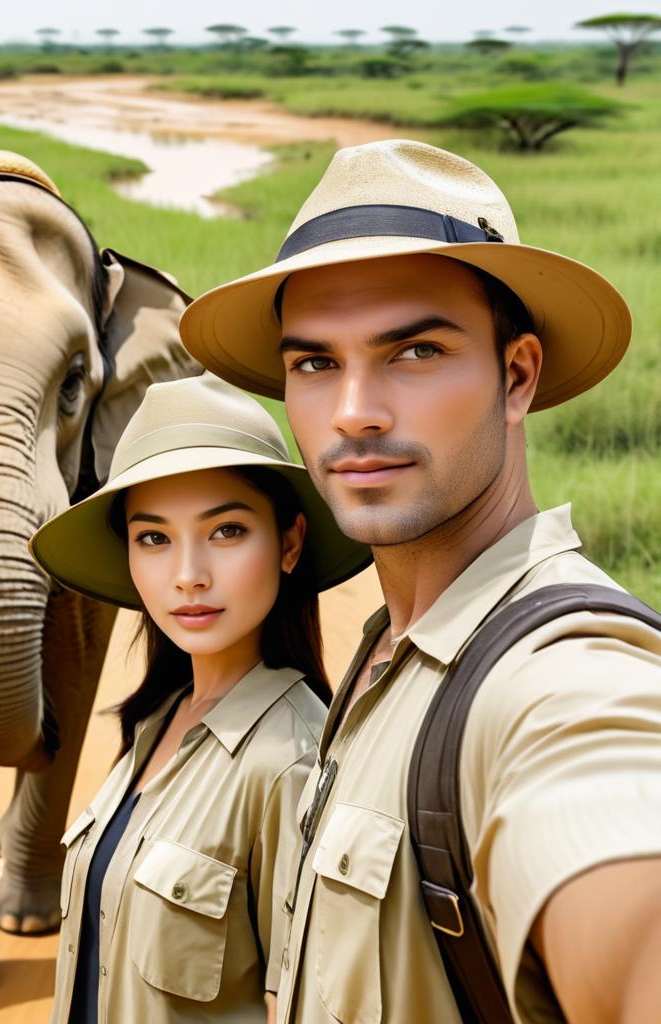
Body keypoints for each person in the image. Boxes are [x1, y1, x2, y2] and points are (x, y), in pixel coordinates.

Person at [179, 139, 661, 1023]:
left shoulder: (561, 676)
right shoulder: (384, 654)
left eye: (415, 352)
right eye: (315, 363)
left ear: (516, 376)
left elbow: (605, 796)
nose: (354, 410)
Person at [28, 373, 371, 1023]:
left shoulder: (290, 763)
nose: (187, 575)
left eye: (226, 531)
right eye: (154, 538)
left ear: (290, 543)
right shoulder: (159, 721)